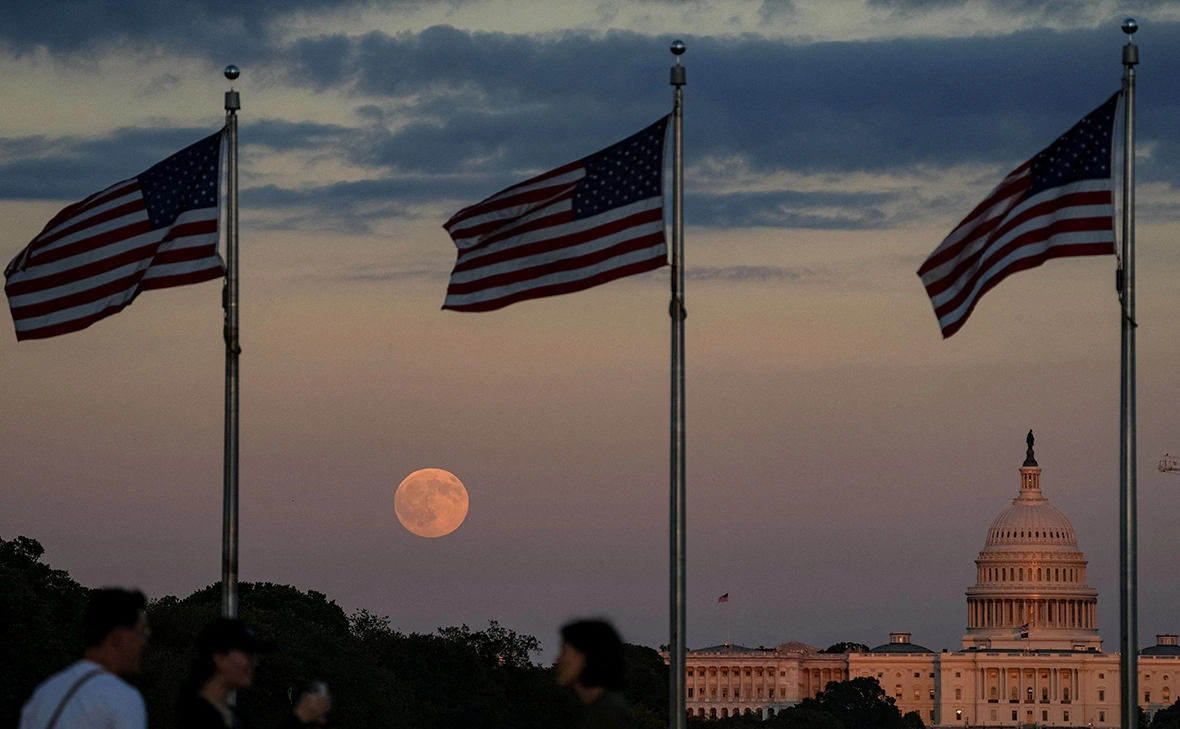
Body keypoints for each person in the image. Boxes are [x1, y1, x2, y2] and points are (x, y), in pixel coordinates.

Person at [19, 587, 150, 729]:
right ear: (119, 638)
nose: (144, 642)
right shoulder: (122, 697)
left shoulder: (44, 693)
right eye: (141, 633)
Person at [177, 618, 274, 729]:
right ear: (219, 658)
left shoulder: (234, 716)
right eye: (247, 654)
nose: (255, 662)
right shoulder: (196, 717)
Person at [555, 619, 637, 729]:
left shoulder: (607, 714)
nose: (559, 659)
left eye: (565, 651)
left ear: (586, 656)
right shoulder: (604, 709)